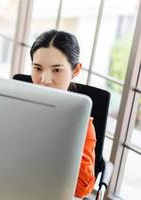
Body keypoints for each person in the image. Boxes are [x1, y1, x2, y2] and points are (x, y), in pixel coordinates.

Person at [29, 29, 96, 198]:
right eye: (37, 68)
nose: (44, 80)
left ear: (75, 70)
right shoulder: (11, 105)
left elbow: (82, 190)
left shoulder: (83, 124)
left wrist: (72, 128)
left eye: (57, 70)